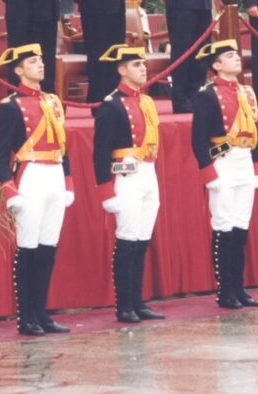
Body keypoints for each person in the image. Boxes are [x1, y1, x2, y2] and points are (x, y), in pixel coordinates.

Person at [0, 44, 73, 336]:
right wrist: (10, 191)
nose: (40, 65)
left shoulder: (53, 101)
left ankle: (42, 313)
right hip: (31, 174)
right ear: (18, 70)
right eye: (32, 62)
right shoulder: (10, 106)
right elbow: (0, 154)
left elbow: (63, 145)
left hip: (54, 173)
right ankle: (26, 317)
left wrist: (68, 182)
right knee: (28, 247)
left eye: (40, 60)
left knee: (48, 247)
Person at [92, 44, 164, 324]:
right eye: (136, 65)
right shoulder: (111, 105)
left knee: (142, 240)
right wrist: (105, 190)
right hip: (126, 175)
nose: (143, 68)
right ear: (121, 70)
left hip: (148, 171)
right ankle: (124, 305)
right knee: (127, 240)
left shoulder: (146, 101)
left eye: (143, 64)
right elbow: (100, 151)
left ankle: (137, 301)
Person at [191, 39, 258, 309]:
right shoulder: (207, 95)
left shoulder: (247, 93)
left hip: (244, 161)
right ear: (217, 65)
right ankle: (225, 291)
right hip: (222, 162)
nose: (237, 58)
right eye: (230, 56)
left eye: (236, 54)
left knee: (241, 227)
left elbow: (255, 133)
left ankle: (239, 288)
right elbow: (198, 139)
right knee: (224, 226)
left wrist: (257, 167)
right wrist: (209, 174)